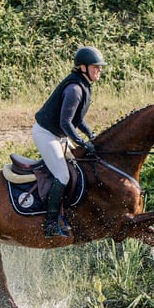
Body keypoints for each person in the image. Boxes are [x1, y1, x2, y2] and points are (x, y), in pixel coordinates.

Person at [33, 45, 106, 237]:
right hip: (46, 134)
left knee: (80, 167)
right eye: (95, 67)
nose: (99, 70)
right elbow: (65, 122)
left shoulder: (84, 86)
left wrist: (91, 136)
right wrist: (81, 142)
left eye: (100, 67)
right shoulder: (74, 89)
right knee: (63, 175)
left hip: (59, 134)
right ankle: (50, 223)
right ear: (83, 68)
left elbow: (78, 120)